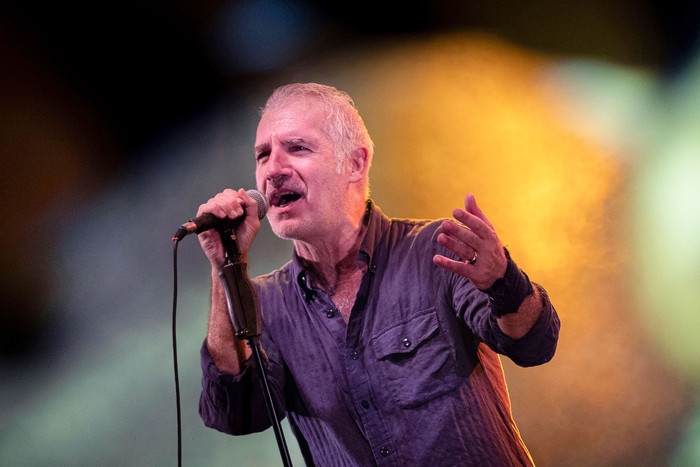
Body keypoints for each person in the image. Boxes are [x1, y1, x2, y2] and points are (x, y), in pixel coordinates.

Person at [196, 82, 560, 466]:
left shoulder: (437, 250)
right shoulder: (263, 305)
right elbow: (234, 413)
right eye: (263, 155)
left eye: (298, 148)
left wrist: (504, 282)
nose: (273, 169)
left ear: (355, 163)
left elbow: (534, 343)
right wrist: (224, 266)